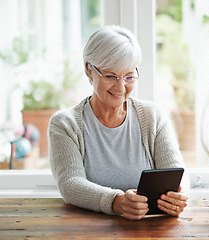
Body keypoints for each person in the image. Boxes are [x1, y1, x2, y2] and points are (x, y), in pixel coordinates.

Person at [48, 25, 189, 220]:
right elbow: (70, 184)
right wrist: (116, 202)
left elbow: (177, 173)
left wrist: (179, 196)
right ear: (89, 70)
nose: (121, 87)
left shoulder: (153, 116)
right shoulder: (65, 124)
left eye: (129, 76)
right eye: (111, 76)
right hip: (89, 232)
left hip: (148, 231)